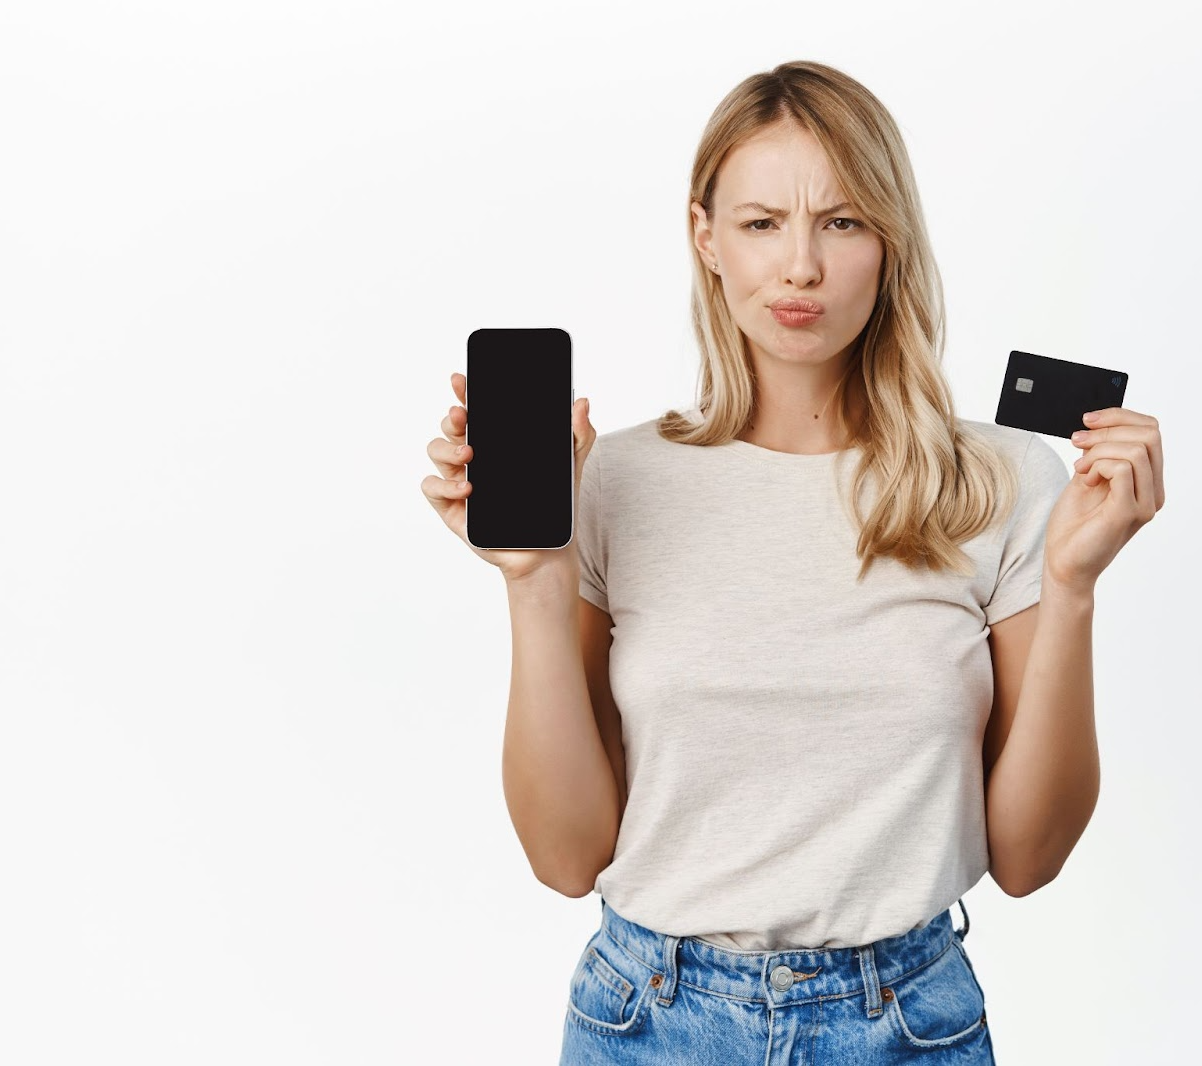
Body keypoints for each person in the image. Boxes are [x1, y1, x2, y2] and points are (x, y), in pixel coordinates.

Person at [422, 59, 1164, 1066]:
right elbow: (565, 857)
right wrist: (534, 581)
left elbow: (1028, 858)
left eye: (843, 221)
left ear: (889, 240)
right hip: (649, 1020)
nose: (801, 266)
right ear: (707, 238)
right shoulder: (612, 481)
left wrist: (1071, 589)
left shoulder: (1001, 480)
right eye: (763, 222)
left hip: (908, 1023)